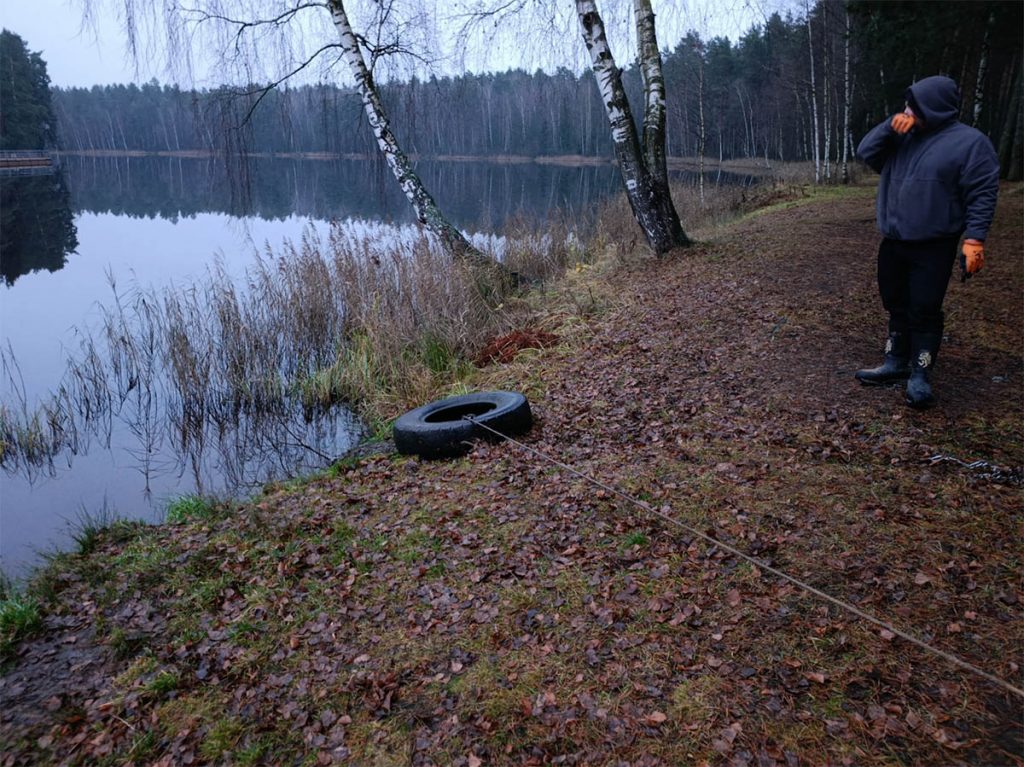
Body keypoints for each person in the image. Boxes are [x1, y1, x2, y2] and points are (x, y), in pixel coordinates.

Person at [855, 75, 1000, 409]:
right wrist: (890, 127)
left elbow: (982, 194)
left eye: (913, 105)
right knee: (895, 301)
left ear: (932, 107)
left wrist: (974, 239)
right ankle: (895, 362)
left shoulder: (970, 143)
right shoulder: (903, 136)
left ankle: (919, 374)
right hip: (893, 238)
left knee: (924, 307)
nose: (907, 110)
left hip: (934, 243)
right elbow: (866, 152)